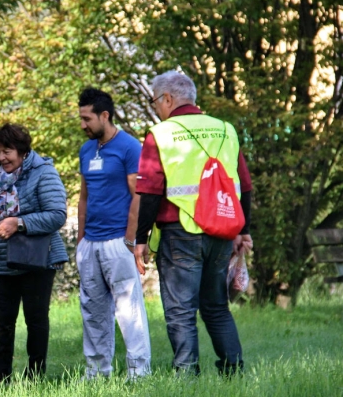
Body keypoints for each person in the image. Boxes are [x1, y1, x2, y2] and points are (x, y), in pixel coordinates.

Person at [134, 70, 253, 376]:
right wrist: (243, 230)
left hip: (180, 232)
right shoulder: (225, 130)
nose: (155, 108)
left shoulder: (161, 134)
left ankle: (186, 377)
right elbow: (245, 185)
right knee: (216, 307)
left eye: (154, 101)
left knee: (180, 310)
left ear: (168, 99)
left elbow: (148, 192)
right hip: (222, 232)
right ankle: (234, 371)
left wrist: (140, 240)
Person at [0, 123, 68, 383]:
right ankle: (0, 377)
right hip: (2, 261)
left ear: (23, 151)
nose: (2, 158)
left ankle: (36, 377)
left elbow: (57, 214)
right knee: (1, 321)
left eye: (7, 151)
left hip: (37, 259)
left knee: (36, 319)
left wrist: (19, 223)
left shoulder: (44, 172)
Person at [76, 88, 152, 379]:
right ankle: (96, 373)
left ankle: (139, 373)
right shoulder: (86, 150)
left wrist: (131, 241)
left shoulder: (130, 147)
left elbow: (138, 196)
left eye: (87, 118)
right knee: (93, 312)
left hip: (118, 243)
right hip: (91, 244)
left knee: (129, 311)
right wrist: (81, 242)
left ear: (104, 115)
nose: (83, 124)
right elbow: (83, 197)